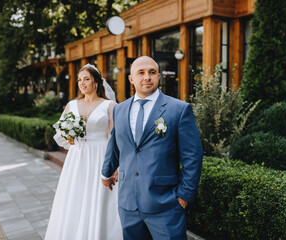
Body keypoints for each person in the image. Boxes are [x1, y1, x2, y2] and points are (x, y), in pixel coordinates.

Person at [101, 56, 203, 240]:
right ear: (131, 79)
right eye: (141, 73)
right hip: (128, 203)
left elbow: (193, 156)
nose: (147, 77)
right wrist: (105, 173)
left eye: (152, 72)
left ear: (158, 77)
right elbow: (115, 145)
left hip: (166, 204)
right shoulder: (120, 109)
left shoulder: (179, 110)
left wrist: (184, 196)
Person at [45, 64, 123, 240]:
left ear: (96, 82)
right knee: (76, 196)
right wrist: (69, 138)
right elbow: (61, 132)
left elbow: (115, 138)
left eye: (86, 79)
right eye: (79, 80)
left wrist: (115, 165)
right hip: (78, 158)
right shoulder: (71, 105)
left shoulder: (109, 105)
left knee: (101, 198)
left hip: (101, 155)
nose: (82, 83)